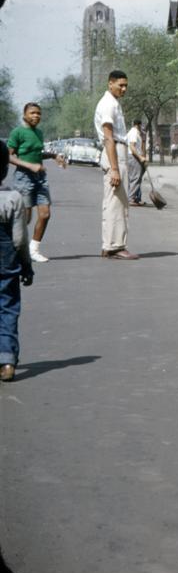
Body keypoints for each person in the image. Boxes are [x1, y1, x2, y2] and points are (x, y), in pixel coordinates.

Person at [7, 102, 65, 263]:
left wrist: (54, 156)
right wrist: (29, 165)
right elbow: (9, 156)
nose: (36, 116)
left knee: (45, 214)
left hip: (39, 178)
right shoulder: (17, 132)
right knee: (25, 219)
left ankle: (33, 249)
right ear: (24, 115)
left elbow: (37, 153)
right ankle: (16, 248)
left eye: (38, 113)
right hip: (23, 178)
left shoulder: (38, 132)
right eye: (32, 113)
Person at [94, 70, 138, 260]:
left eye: (126, 85)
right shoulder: (108, 104)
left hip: (119, 152)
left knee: (116, 201)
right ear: (110, 83)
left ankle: (110, 244)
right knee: (116, 202)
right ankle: (115, 246)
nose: (124, 88)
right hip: (115, 153)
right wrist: (114, 168)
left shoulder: (114, 103)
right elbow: (109, 138)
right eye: (120, 85)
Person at [0, 139, 35, 382]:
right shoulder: (13, 198)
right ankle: (7, 362)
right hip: (6, 263)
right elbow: (20, 239)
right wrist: (27, 266)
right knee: (8, 308)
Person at [126, 119, 147, 206]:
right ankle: (131, 198)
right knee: (135, 178)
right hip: (134, 157)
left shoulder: (136, 133)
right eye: (141, 125)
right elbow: (132, 147)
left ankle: (136, 198)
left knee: (135, 178)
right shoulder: (133, 133)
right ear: (138, 125)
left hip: (134, 157)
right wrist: (140, 157)